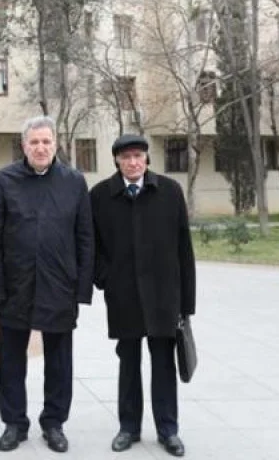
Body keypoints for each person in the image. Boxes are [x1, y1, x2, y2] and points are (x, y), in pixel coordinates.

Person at [0, 115, 94, 454]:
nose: (41, 147)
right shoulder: (4, 181)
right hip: (16, 286)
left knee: (59, 361)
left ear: (55, 144)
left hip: (60, 285)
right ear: (24, 145)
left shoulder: (74, 182)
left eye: (46, 141)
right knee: (11, 361)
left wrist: (82, 289)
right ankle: (14, 423)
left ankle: (54, 422)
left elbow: (85, 237)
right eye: (35, 142)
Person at [90, 135, 196, 458]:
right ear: (117, 162)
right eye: (126, 157)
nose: (133, 162)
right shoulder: (100, 196)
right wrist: (104, 278)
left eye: (138, 156)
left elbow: (184, 249)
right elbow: (91, 246)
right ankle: (129, 428)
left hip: (164, 295)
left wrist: (186, 304)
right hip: (124, 295)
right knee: (128, 362)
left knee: (163, 363)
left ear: (147, 159)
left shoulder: (169, 191)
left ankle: (168, 430)